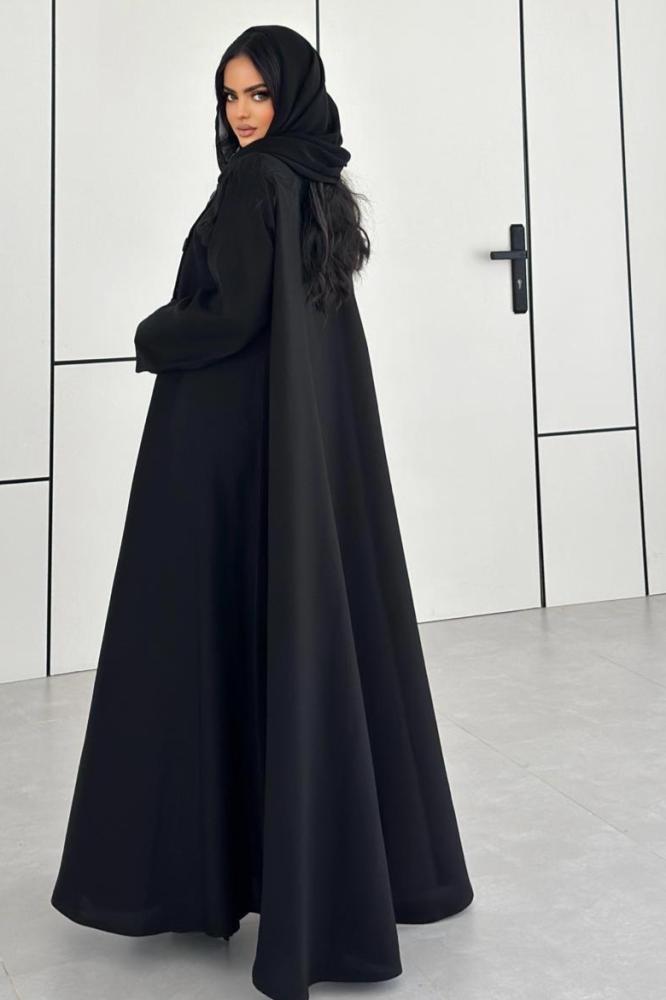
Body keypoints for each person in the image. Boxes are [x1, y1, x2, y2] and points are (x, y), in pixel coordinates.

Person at [50, 23, 474, 1000]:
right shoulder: (315, 182)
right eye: (230, 95)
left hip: (223, 454)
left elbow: (232, 315)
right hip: (282, 453)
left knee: (197, 640)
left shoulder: (254, 182)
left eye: (258, 94)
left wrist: (152, 331)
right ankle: (320, 875)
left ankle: (195, 871)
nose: (242, 113)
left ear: (292, 96)